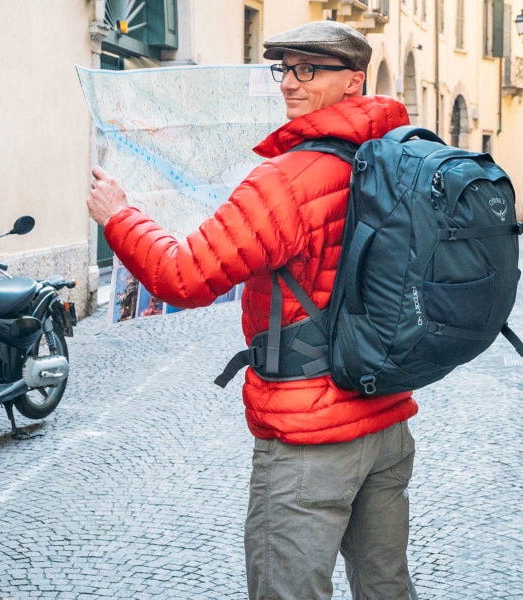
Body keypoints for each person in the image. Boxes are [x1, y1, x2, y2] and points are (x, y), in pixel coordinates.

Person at [87, 20, 419, 600]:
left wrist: (119, 217)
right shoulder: (395, 158)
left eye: (309, 70)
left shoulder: (284, 183)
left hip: (309, 434)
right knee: (387, 588)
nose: (290, 82)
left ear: (354, 82)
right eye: (284, 68)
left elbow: (183, 277)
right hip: (384, 418)